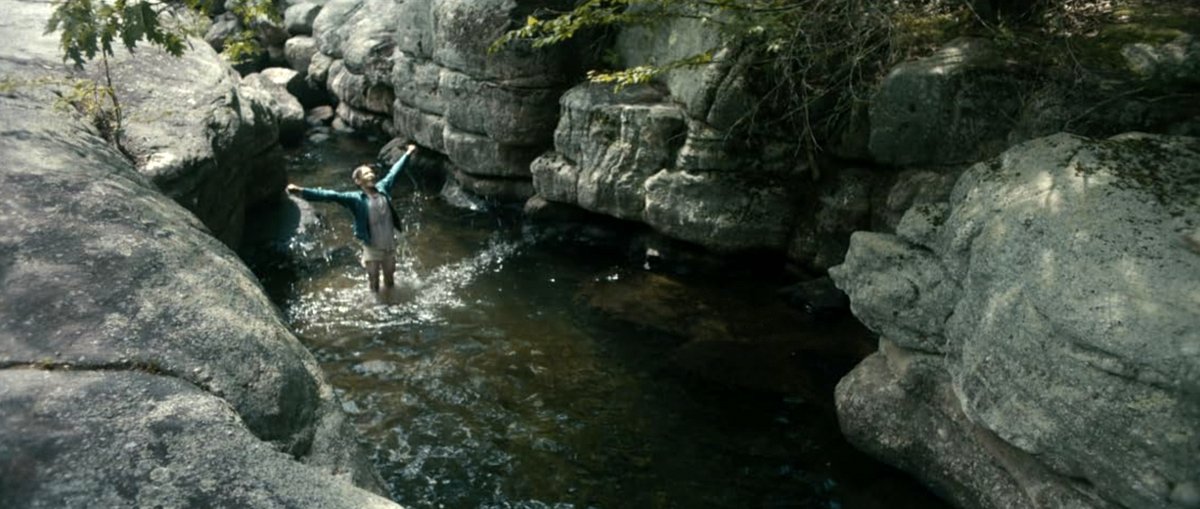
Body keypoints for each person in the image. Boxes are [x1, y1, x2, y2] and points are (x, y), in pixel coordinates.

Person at [287, 143, 417, 295]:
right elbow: (330, 195)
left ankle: (391, 303)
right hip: (372, 246)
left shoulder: (383, 188)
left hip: (389, 244)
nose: (371, 175)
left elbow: (395, 172)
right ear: (358, 181)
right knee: (374, 282)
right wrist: (301, 191)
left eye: (371, 172)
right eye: (366, 174)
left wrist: (408, 153)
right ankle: (376, 307)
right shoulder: (354, 199)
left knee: (389, 281)